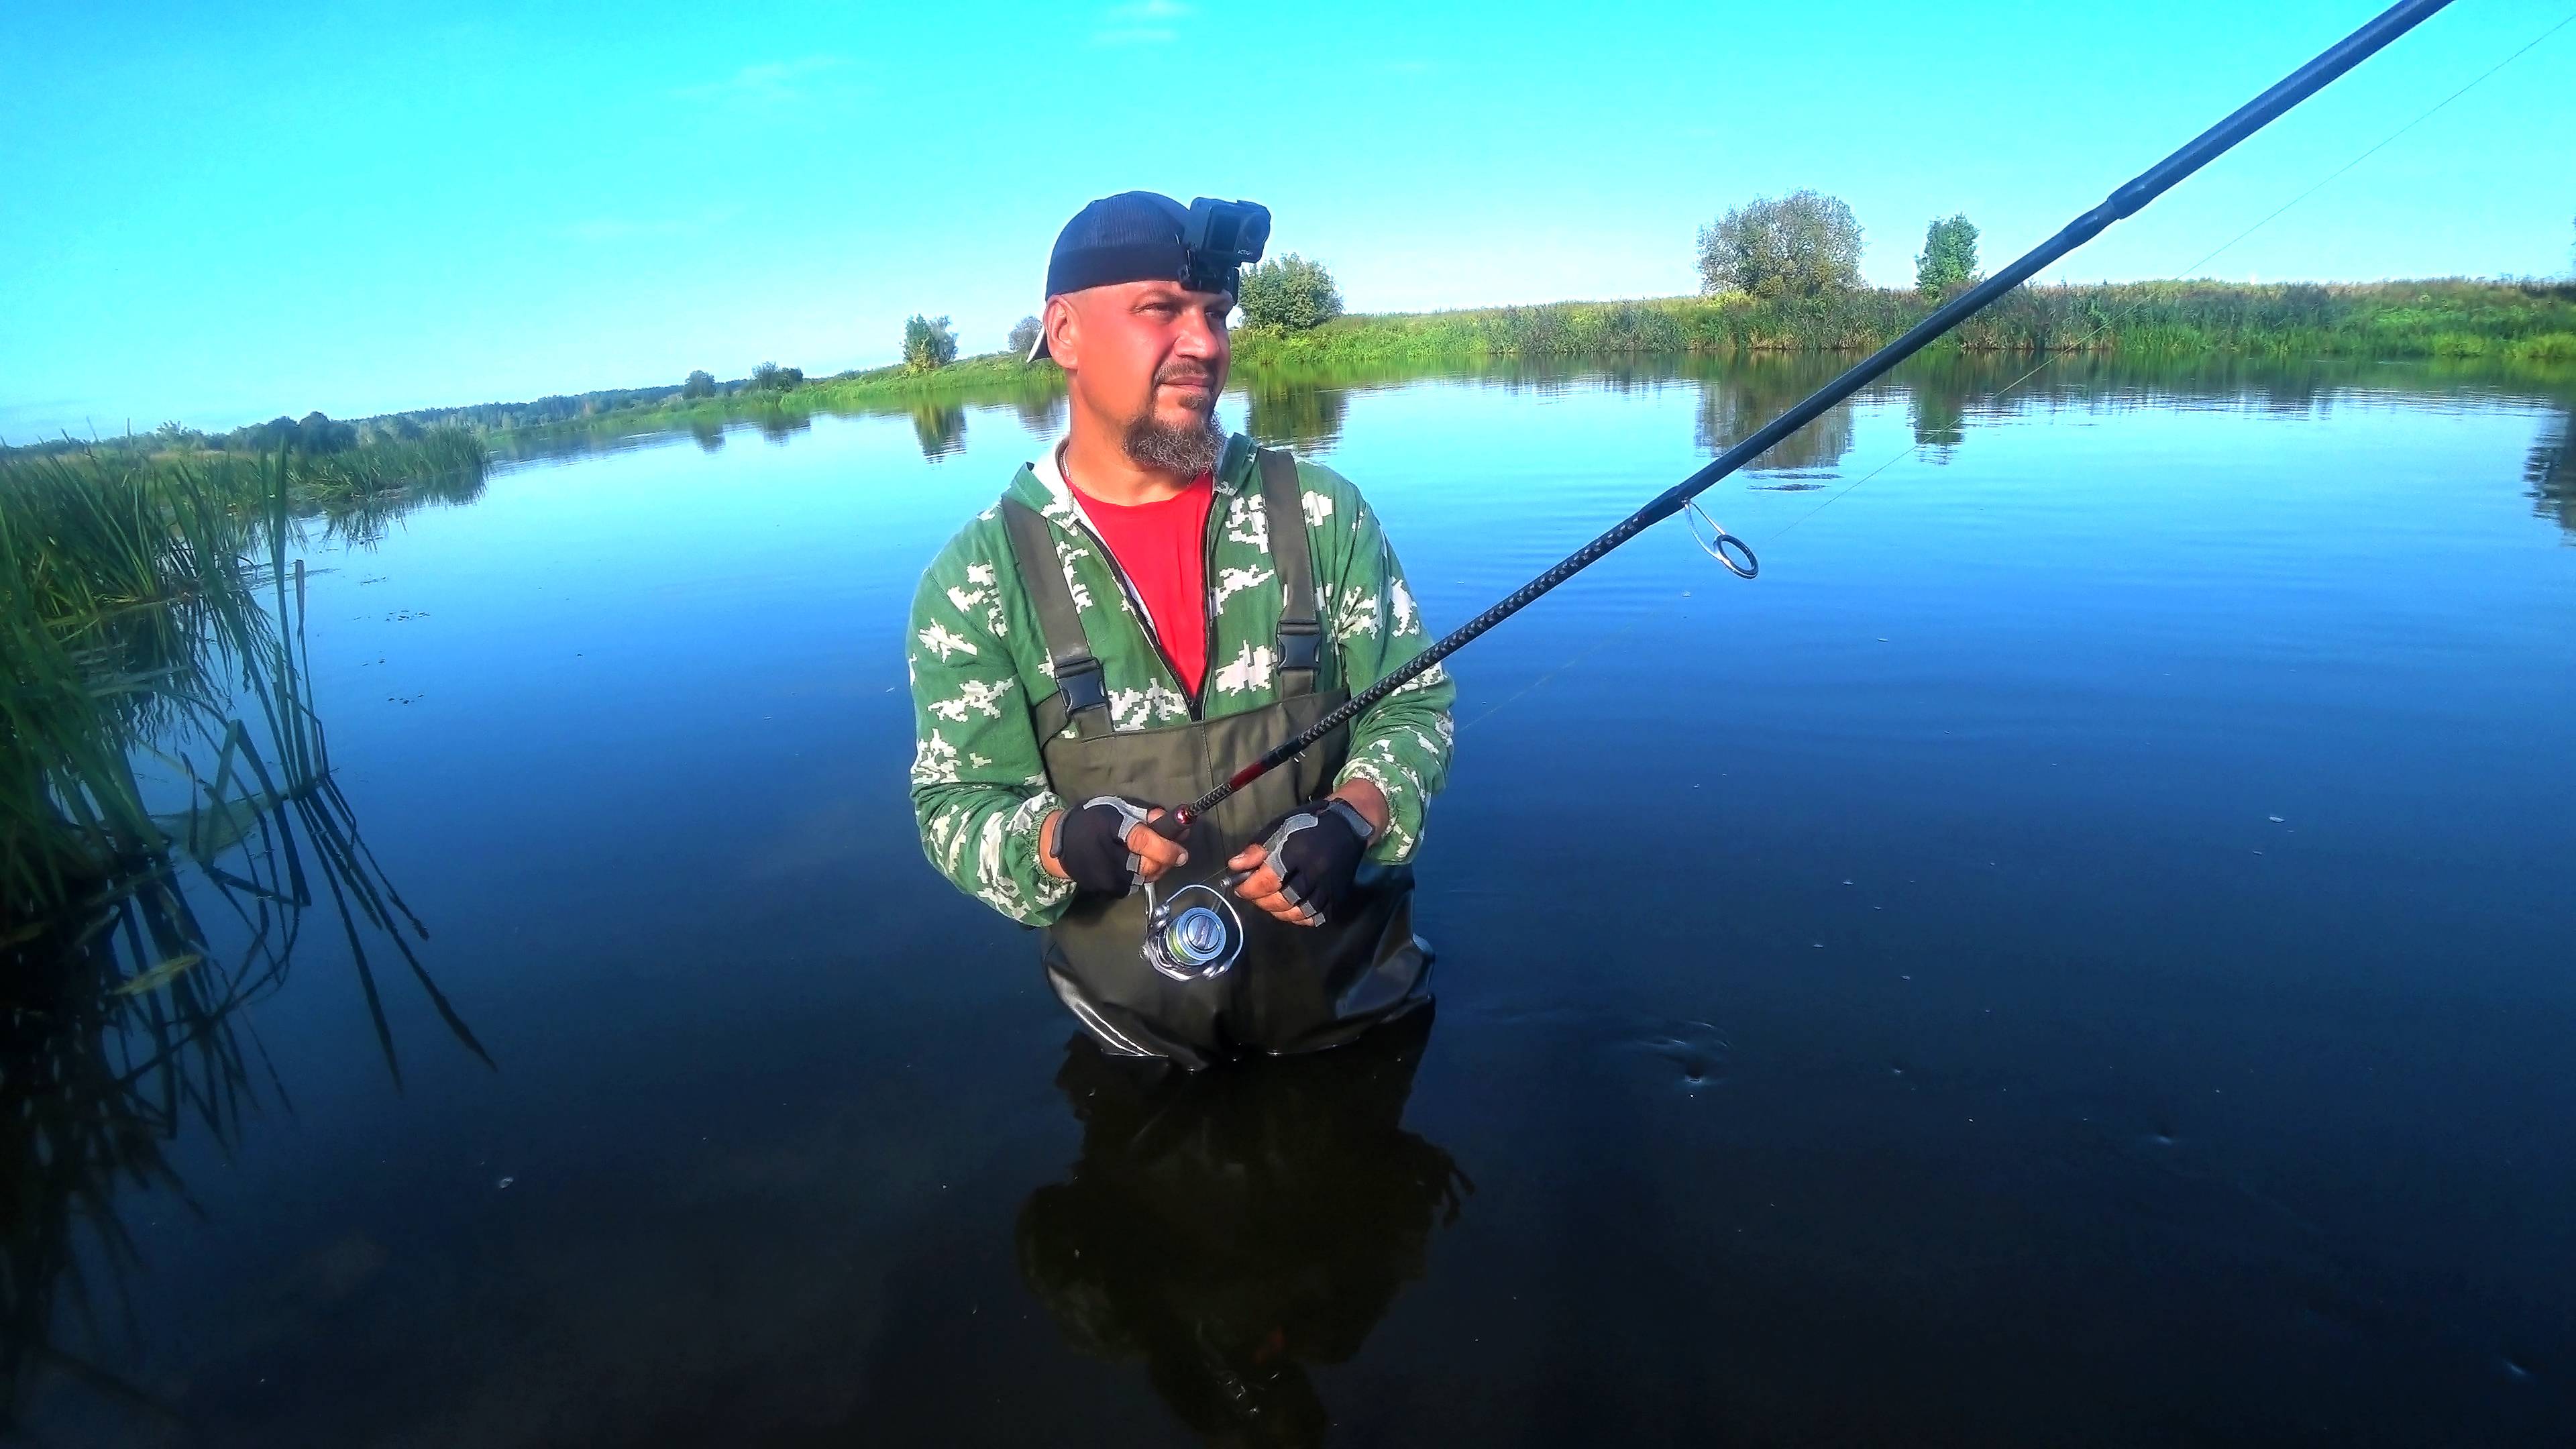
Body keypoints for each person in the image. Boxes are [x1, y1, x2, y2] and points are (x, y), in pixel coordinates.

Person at [906, 191, 1454, 1068]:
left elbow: (1414, 707)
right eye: (1161, 310)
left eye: (1215, 315)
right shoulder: (977, 581)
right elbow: (956, 807)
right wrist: (1054, 842)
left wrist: (1355, 817)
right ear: (1066, 333)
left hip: (1357, 1019)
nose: (1204, 344)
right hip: (1139, 1053)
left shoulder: (1321, 514)